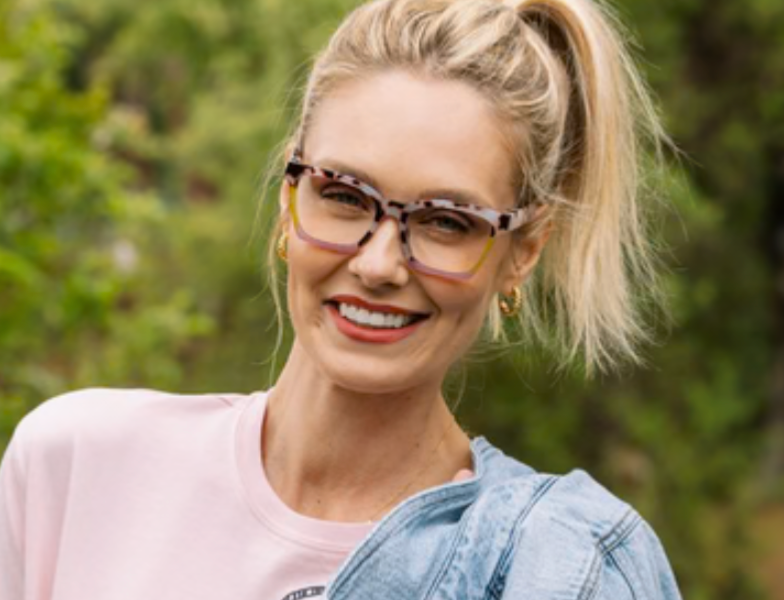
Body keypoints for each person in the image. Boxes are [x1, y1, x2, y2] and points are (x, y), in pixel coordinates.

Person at [0, 0, 683, 598]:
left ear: (523, 251)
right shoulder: (78, 467)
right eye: (345, 196)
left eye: (447, 221)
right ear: (288, 197)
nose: (379, 263)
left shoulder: (557, 571)